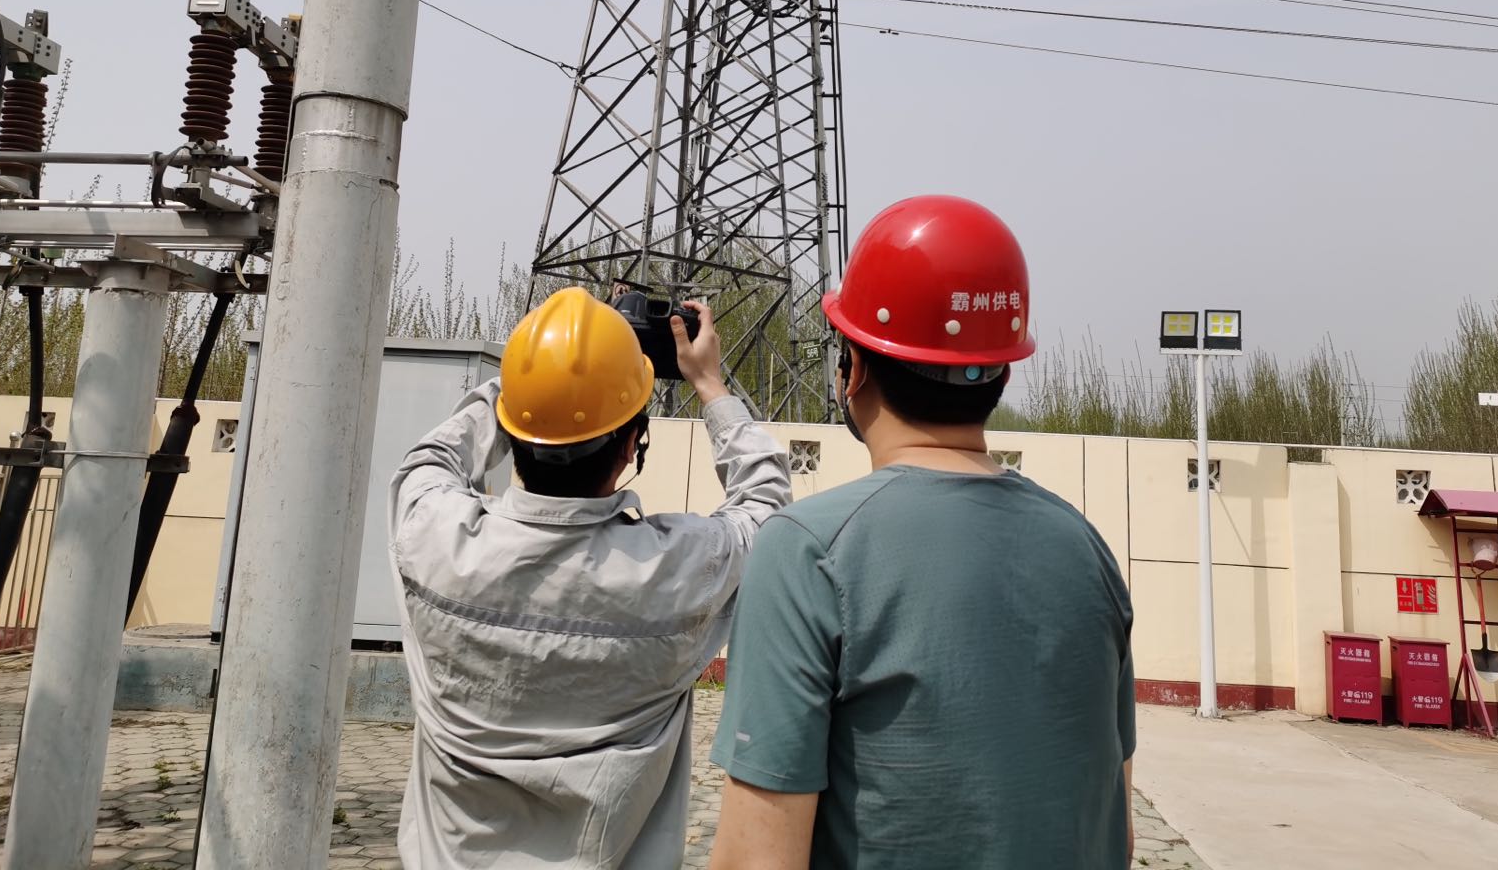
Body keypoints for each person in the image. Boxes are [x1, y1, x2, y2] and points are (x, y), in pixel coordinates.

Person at [708, 195, 1137, 869]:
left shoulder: (807, 551)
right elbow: (1115, 824)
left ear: (853, 370)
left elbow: (756, 857)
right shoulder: (1086, 549)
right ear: (1002, 369)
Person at [388, 286, 791, 868]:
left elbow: (431, 459)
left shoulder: (433, 537)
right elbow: (767, 505)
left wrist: (548, 363)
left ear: (512, 431)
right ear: (631, 445)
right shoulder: (676, 570)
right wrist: (708, 383)